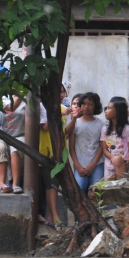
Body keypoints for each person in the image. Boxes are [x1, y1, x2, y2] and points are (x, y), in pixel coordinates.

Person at [39, 84, 70, 229]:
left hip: (58, 150)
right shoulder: (42, 107)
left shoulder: (61, 109)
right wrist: (58, 113)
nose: (62, 94)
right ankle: (55, 217)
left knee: (55, 182)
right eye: (59, 91)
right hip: (46, 151)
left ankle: (51, 217)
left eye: (63, 92)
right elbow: (45, 126)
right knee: (51, 182)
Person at [68, 92, 105, 195]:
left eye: (90, 104)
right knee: (79, 188)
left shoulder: (101, 124)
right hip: (80, 164)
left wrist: (93, 165)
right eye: (84, 103)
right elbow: (71, 148)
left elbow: (101, 147)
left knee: (96, 191)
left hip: (97, 164)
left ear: (95, 106)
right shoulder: (75, 123)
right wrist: (78, 166)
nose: (86, 107)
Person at [101, 97, 129, 179]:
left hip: (124, 165)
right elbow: (104, 150)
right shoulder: (104, 129)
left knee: (120, 186)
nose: (105, 111)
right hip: (109, 166)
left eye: (109, 108)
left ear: (117, 111)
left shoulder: (127, 129)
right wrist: (113, 157)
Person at [2, 94, 25, 194]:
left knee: (15, 148)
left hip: (20, 134)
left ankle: (15, 184)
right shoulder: (3, 97)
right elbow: (10, 108)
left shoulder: (27, 99)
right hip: (3, 134)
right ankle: (2, 184)